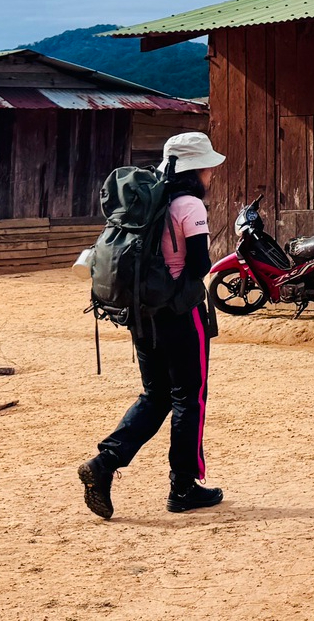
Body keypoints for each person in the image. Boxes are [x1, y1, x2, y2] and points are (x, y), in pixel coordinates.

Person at [78, 131, 225, 519]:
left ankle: (104, 463)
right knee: (188, 398)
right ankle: (183, 487)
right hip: (179, 314)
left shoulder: (145, 197)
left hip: (142, 314)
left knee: (156, 395)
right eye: (209, 167)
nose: (212, 173)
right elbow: (198, 266)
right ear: (196, 169)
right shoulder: (189, 204)